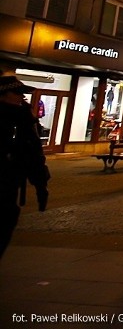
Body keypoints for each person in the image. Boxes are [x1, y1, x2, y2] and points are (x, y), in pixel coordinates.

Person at [1, 76, 50, 260]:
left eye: (23, 94)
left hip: (8, 182)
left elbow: (33, 153)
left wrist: (41, 184)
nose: (22, 97)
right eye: (17, 93)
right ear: (3, 95)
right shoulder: (19, 119)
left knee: (6, 219)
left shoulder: (24, 119)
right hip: (6, 179)